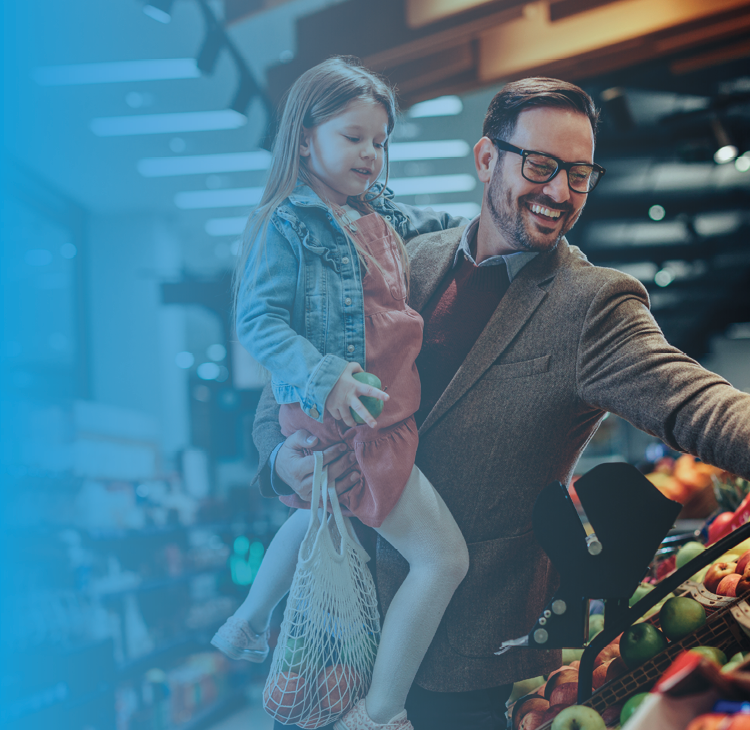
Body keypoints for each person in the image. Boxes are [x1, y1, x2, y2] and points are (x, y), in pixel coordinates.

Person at [253, 75, 750, 730]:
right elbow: (283, 389)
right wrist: (283, 459)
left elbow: (697, 403)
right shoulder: (400, 256)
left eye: (580, 174)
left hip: (461, 665)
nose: (560, 193)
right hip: (333, 630)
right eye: (541, 166)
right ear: (487, 159)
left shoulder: (592, 306)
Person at [211, 56, 470, 730]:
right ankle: (379, 714)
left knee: (320, 509)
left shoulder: (371, 216)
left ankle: (247, 619)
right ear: (304, 138)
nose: (371, 154)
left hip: (371, 419)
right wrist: (328, 379)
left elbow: (432, 225)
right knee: (442, 558)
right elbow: (256, 321)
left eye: (380, 141)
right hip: (354, 421)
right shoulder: (288, 225)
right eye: (353, 137)